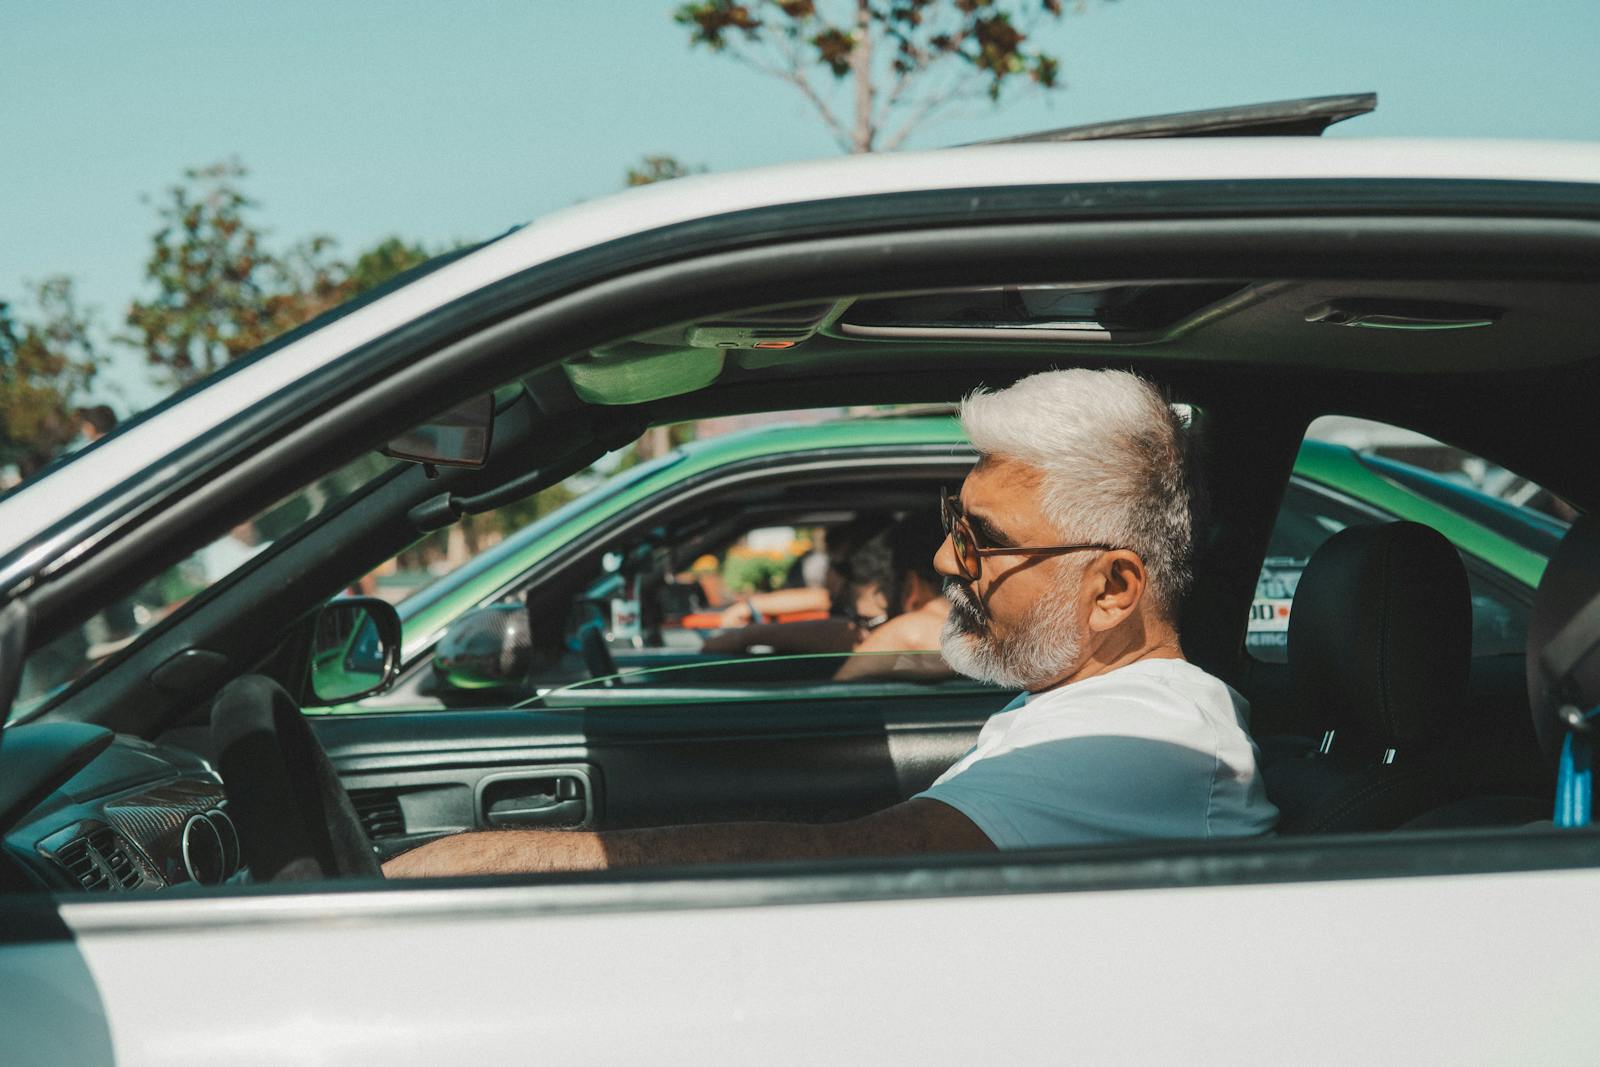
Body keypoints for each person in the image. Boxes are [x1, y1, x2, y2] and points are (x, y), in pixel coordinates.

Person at [383, 369, 1278, 878]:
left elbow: (871, 860)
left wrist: (490, 864)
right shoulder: (1088, 699)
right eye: (953, 522)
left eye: (983, 542)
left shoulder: (1152, 734)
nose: (941, 561)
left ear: (1114, 587)